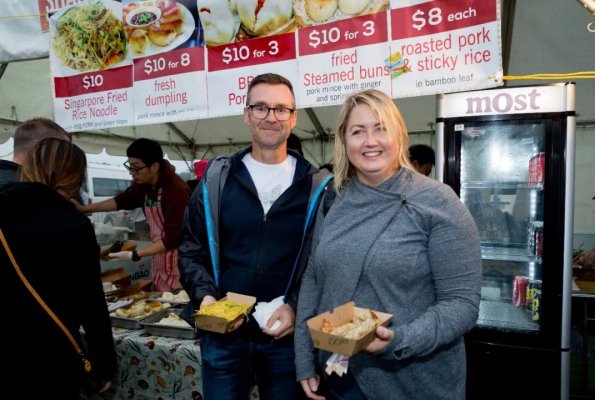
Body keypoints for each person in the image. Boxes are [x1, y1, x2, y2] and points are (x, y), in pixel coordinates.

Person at [294, 89, 482, 400]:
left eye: (381, 128)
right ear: (344, 141)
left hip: (411, 383)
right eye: (358, 131)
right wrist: (303, 357)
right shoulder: (333, 199)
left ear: (398, 135)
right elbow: (313, 276)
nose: (370, 141)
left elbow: (461, 305)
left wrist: (397, 340)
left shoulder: (437, 201)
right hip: (338, 374)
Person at [178, 73, 332, 400]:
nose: (271, 117)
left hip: (284, 339)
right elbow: (190, 248)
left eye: (281, 109)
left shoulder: (317, 186)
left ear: (294, 118)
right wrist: (205, 297)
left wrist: (294, 306)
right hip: (223, 338)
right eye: (260, 107)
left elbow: (323, 262)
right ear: (246, 114)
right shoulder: (217, 180)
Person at [0, 138, 116, 398]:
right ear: (73, 177)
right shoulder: (73, 225)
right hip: (51, 355)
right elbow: (92, 304)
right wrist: (105, 365)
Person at [74, 138, 191, 291]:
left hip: (179, 260)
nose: (131, 173)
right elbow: (121, 201)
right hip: (159, 256)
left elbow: (172, 238)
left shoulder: (175, 190)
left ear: (154, 166)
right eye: (129, 167)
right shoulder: (144, 185)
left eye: (136, 168)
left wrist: (135, 254)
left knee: (178, 302)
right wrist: (86, 209)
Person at [0, 117, 71, 184]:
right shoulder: (22, 190)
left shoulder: (8, 178)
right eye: (62, 153)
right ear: (43, 151)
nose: (65, 162)